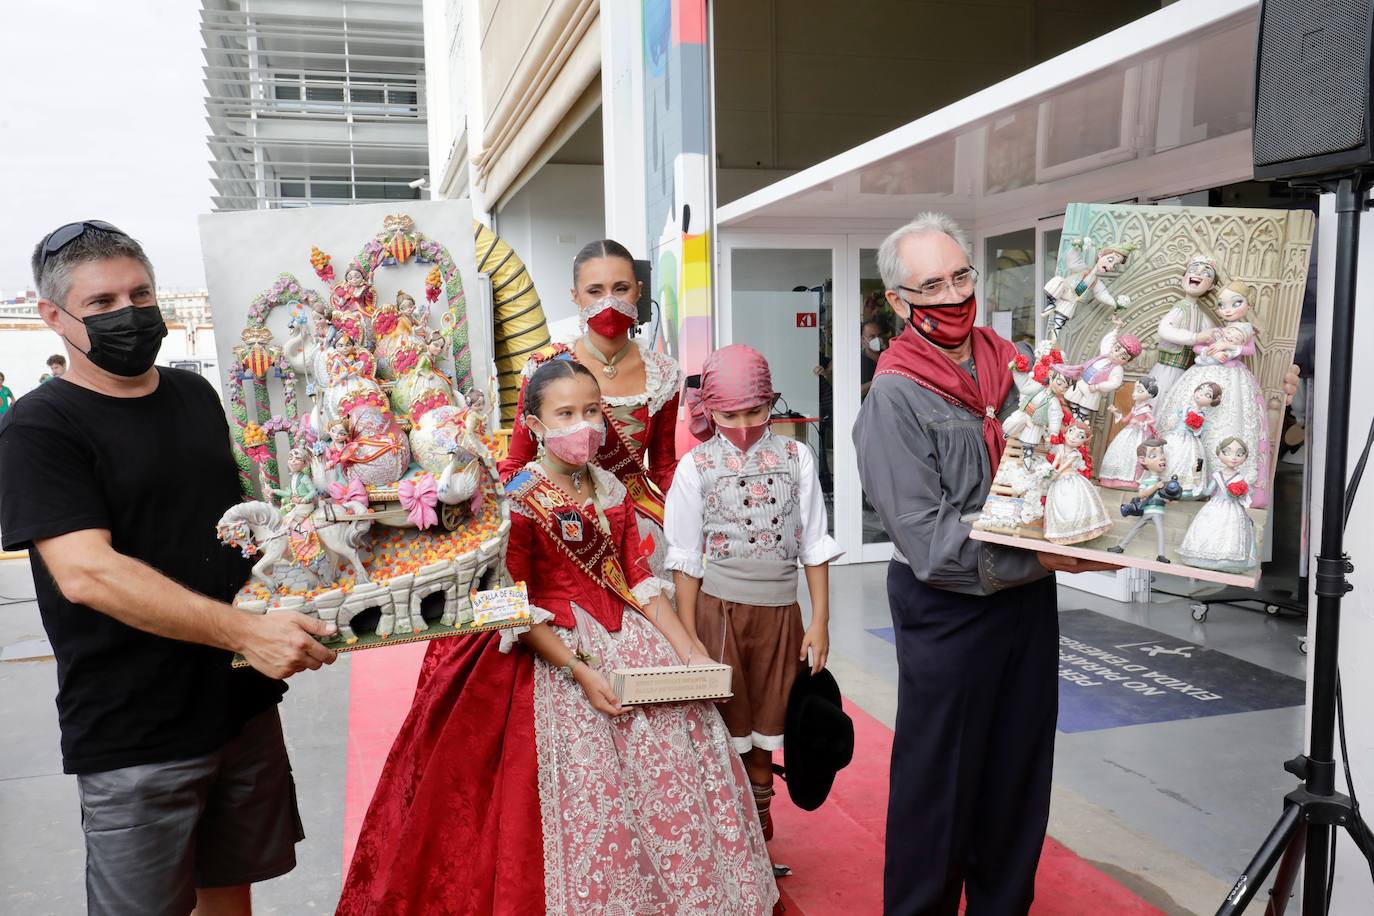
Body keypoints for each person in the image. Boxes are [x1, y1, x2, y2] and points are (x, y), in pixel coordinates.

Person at [338, 358, 778, 915]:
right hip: (545, 648)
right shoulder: (515, 496)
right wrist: (578, 669)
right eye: (565, 414)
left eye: (592, 411)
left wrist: (686, 647)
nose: (583, 425)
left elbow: (637, 577)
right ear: (535, 424)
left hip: (628, 634)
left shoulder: (611, 485)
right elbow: (504, 601)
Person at [0, 221, 334, 916]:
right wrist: (248, 635)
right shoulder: (41, 427)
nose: (130, 313)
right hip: (136, 734)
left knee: (229, 893)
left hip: (239, 707)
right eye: (101, 304)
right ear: (53, 317)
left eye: (140, 292)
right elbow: (86, 572)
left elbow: (239, 525)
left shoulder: (193, 396)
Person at [853, 212, 1115, 916]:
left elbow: (1084, 436)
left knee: (1017, 783)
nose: (952, 294)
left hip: (1024, 610)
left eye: (961, 275)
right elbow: (928, 541)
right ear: (900, 302)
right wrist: (1050, 557)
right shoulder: (895, 396)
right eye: (931, 284)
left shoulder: (1018, 369)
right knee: (939, 794)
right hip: (948, 615)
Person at [667, 343, 842, 853]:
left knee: (770, 723)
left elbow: (813, 543)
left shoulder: (797, 456)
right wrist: (688, 639)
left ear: (772, 402)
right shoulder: (695, 466)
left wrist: (820, 621)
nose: (743, 423)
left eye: (755, 411)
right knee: (727, 727)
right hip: (717, 615)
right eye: (728, 414)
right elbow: (685, 558)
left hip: (781, 615)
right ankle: (728, 830)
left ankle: (761, 825)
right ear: (709, 412)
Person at [500, 239, 681, 579]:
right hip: (559, 521)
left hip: (639, 524)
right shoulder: (545, 369)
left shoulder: (665, 374)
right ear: (575, 296)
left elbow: (664, 467)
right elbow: (517, 463)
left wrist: (696, 507)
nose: (608, 301)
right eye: (595, 291)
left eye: (621, 288)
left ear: (639, 290)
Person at [861, 319, 884, 398]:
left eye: (879, 335)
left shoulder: (888, 356)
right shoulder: (859, 362)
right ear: (863, 339)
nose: (877, 339)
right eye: (872, 336)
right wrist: (878, 380)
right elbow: (856, 391)